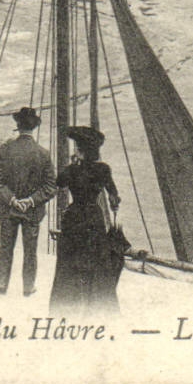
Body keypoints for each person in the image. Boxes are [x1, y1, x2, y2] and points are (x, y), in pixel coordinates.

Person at [48, 126, 125, 314]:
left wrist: (74, 164)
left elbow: (58, 183)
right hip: (93, 217)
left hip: (74, 217)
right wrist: (114, 204)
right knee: (96, 261)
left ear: (80, 150)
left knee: (70, 262)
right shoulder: (103, 169)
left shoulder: (72, 170)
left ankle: (68, 302)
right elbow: (114, 196)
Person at [0, 106, 56, 297]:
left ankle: (2, 285)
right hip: (32, 211)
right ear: (33, 128)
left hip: (7, 209)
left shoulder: (5, 149)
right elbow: (50, 186)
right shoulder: (43, 154)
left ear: (17, 126)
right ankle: (28, 287)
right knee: (30, 250)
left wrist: (11, 199)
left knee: (5, 247)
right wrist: (30, 201)